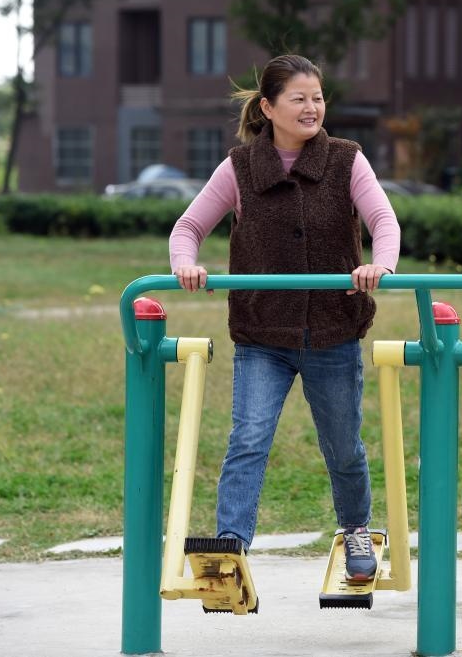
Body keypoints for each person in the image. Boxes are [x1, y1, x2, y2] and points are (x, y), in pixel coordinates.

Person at [169, 54, 400, 581]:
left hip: (333, 332)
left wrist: (380, 264)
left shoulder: (346, 159)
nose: (311, 107)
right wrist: (185, 264)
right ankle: (231, 544)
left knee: (343, 446)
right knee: (248, 439)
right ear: (268, 107)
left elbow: (383, 221)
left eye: (317, 98)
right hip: (262, 336)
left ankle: (355, 528)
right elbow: (188, 228)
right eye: (298, 98)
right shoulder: (240, 167)